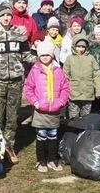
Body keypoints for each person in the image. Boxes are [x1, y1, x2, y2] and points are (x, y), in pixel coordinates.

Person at [0, 2, 36, 164]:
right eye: (3, 15)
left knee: (12, 117)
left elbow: (27, 55)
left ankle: (9, 146)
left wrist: (42, 61)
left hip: (15, 80)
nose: (6, 18)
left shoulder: (19, 34)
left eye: (8, 15)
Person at [24, 41, 70, 172]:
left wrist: (61, 102)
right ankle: (41, 161)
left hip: (54, 110)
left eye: (47, 55)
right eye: (42, 55)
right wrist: (36, 102)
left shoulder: (58, 70)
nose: (45, 57)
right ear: (39, 56)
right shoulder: (35, 70)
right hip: (40, 110)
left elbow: (65, 88)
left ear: (52, 55)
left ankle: (52, 160)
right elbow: (29, 88)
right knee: (41, 136)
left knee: (53, 136)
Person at [63, 33, 100, 118]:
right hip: (74, 94)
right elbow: (65, 76)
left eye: (83, 47)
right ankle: (74, 131)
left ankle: (84, 131)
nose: (80, 49)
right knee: (74, 117)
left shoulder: (91, 58)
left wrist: (98, 91)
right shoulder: (69, 59)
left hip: (87, 93)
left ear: (86, 47)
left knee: (86, 118)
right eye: (78, 46)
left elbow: (96, 74)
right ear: (74, 46)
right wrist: (65, 92)